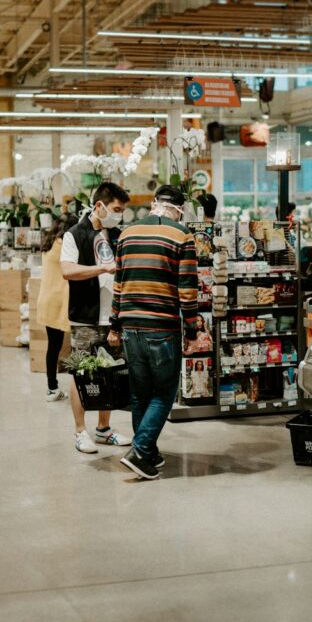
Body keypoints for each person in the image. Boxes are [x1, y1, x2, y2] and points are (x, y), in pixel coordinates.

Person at [111, 185, 198, 480]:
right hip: (161, 326)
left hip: (129, 326)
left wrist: (114, 324)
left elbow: (118, 284)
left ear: (153, 204)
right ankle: (140, 449)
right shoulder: (182, 235)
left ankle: (149, 454)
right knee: (163, 393)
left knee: (140, 394)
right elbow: (187, 288)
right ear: (179, 208)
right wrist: (192, 329)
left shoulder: (126, 233)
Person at [60, 182, 133, 453]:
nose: (119, 215)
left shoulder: (118, 235)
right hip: (86, 316)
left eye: (122, 210)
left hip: (114, 317)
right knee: (83, 374)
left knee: (110, 372)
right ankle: (80, 432)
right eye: (116, 209)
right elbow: (67, 270)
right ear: (99, 205)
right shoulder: (75, 234)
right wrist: (101, 268)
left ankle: (103, 429)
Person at [36, 212, 78, 402]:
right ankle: (77, 387)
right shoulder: (64, 245)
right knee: (70, 344)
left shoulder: (48, 243)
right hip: (60, 300)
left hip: (47, 298)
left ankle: (52, 388)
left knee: (53, 346)